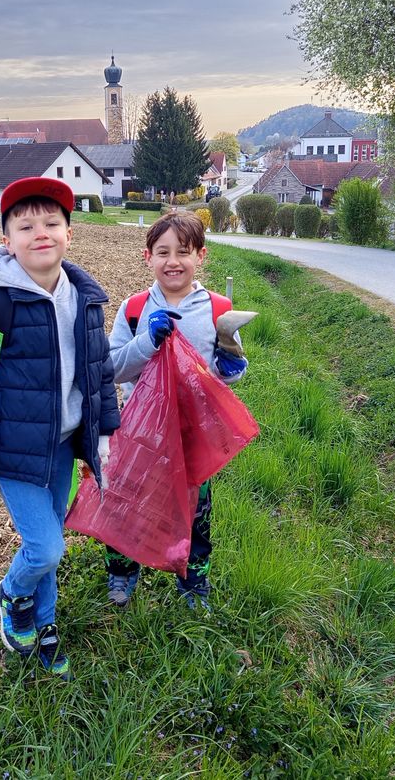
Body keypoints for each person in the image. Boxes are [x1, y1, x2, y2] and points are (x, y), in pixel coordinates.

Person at [0, 177, 120, 679]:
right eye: (25, 225)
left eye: (51, 223)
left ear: (70, 234)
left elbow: (99, 370)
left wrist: (104, 431)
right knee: (45, 546)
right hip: (13, 449)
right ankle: (11, 594)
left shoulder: (84, 297)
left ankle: (43, 623)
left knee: (50, 543)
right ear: (7, 240)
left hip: (63, 443)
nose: (39, 233)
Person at [105, 211, 247, 609]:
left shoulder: (218, 309)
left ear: (200, 255)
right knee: (126, 502)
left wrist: (233, 367)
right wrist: (146, 340)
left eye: (183, 252)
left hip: (191, 433)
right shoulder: (133, 309)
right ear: (147, 257)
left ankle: (193, 579)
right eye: (163, 252)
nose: (173, 261)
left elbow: (225, 369)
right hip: (140, 431)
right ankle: (122, 572)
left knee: (195, 510)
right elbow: (114, 368)